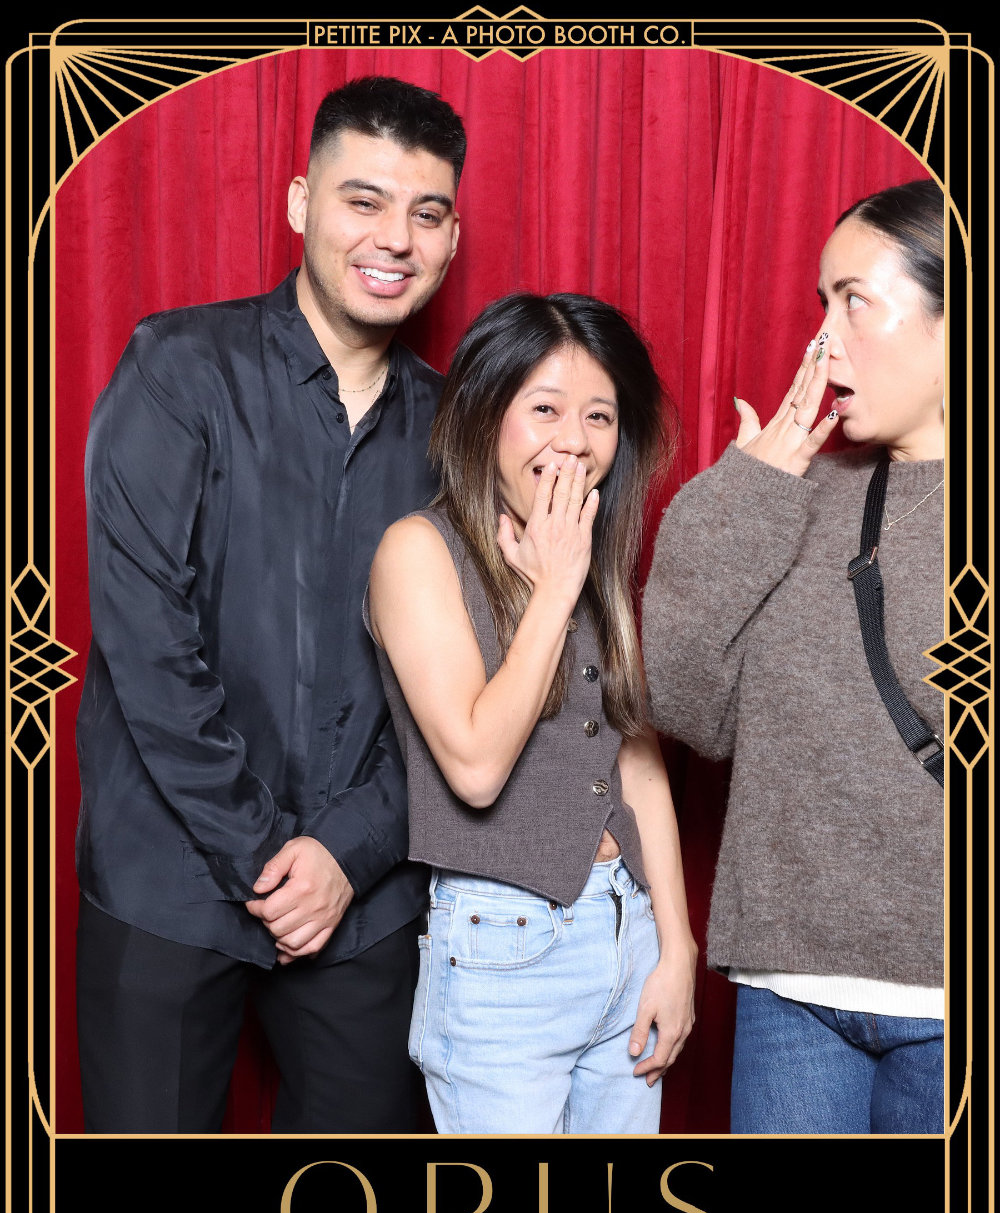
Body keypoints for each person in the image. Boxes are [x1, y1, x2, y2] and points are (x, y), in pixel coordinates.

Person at [75, 76, 465, 1133]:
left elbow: (462, 688)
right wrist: (265, 855)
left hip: (363, 896)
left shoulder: (457, 435)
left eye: (427, 213)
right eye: (363, 200)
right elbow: (148, 648)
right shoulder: (176, 368)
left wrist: (345, 854)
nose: (395, 238)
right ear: (300, 203)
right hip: (166, 874)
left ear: (452, 236)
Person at [641, 179, 945, 1134]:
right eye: (823, 303)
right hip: (792, 985)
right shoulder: (797, 495)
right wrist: (744, 492)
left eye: (855, 301)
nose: (824, 341)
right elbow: (686, 703)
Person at [367, 293, 698, 1134]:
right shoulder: (419, 551)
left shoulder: (590, 553)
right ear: (485, 415)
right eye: (545, 409)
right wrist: (553, 592)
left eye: (599, 416)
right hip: (503, 951)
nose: (575, 441)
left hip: (625, 929)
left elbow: (635, 760)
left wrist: (676, 947)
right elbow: (476, 767)